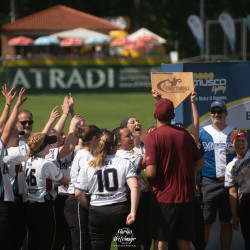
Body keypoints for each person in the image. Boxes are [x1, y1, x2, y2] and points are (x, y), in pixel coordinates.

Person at [145, 98, 204, 250]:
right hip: (186, 196)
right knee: (184, 241)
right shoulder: (184, 134)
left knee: (161, 242)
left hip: (163, 197)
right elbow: (200, 163)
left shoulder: (153, 136)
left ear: (154, 115)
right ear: (173, 116)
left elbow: (150, 173)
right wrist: (185, 173)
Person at [75, 130, 140, 250]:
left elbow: (78, 193)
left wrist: (90, 207)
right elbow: (135, 187)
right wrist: (133, 212)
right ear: (115, 146)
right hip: (120, 211)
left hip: (97, 212)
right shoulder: (124, 163)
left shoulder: (89, 165)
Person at [199, 100, 235, 250]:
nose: (216, 114)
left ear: (226, 113)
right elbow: (196, 159)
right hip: (208, 182)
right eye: (213, 111)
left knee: (226, 222)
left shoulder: (234, 132)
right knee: (206, 223)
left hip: (229, 184)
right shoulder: (202, 132)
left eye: (220, 111)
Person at [25, 132, 70, 250]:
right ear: (43, 147)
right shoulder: (46, 164)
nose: (50, 146)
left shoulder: (27, 161)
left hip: (30, 207)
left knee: (33, 243)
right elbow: (64, 179)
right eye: (48, 144)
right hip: (45, 209)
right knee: (47, 243)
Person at [65, 125, 102, 250]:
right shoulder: (86, 156)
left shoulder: (82, 153)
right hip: (78, 202)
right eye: (99, 138)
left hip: (76, 202)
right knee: (80, 244)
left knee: (82, 243)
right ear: (94, 139)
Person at [0, 87, 27, 250]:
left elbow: (4, 126)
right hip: (2, 206)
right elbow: (8, 130)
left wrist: (8, 105)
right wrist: (14, 106)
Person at [225, 129, 250, 250]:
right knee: (248, 239)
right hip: (246, 202)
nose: (241, 143)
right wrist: (234, 215)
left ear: (247, 142)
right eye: (237, 140)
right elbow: (232, 191)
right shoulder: (230, 166)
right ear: (232, 144)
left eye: (243, 140)